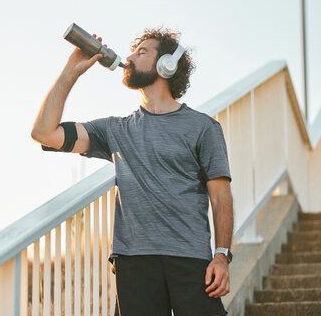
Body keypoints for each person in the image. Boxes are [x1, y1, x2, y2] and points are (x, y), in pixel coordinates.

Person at [31, 27, 234, 316]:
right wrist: (71, 70)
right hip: (134, 261)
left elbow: (221, 196)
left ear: (167, 64)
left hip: (190, 259)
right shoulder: (114, 130)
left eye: (141, 52)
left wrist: (222, 256)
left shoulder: (204, 128)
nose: (128, 57)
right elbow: (44, 132)